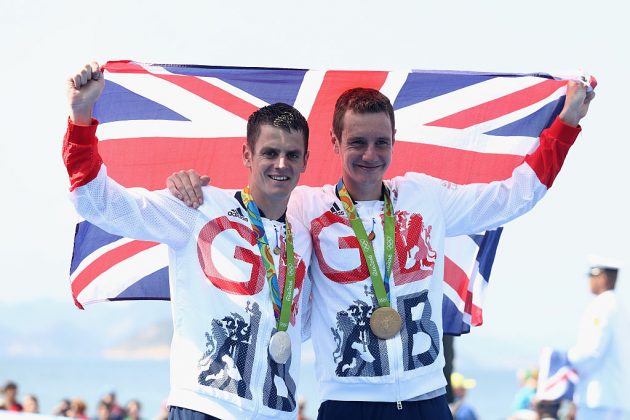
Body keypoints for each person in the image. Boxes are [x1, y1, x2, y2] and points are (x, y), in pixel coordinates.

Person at [170, 79, 593, 419]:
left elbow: (513, 196)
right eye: (357, 143)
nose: (370, 155)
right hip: (347, 402)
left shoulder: (425, 198)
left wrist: (567, 124)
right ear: (335, 144)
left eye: (381, 142)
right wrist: (190, 186)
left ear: (394, 141)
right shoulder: (304, 206)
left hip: (426, 396)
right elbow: (255, 202)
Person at [63, 62, 313, 420]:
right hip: (205, 407)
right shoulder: (198, 207)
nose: (281, 163)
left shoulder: (304, 233)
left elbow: (304, 326)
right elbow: (100, 204)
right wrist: (81, 116)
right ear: (247, 155)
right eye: (270, 152)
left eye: (292, 154)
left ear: (306, 160)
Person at [567, 258, 630, 419]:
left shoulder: (602, 306)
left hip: (598, 398)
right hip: (615, 398)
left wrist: (565, 359)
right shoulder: (618, 306)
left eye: (592, 275)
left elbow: (592, 351)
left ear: (603, 278)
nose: (589, 280)